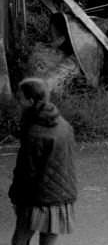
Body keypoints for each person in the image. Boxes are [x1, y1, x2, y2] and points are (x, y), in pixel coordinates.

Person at [8, 78, 77, 245]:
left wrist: (15, 197)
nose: (18, 102)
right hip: (62, 195)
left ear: (31, 101)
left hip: (38, 199)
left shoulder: (34, 132)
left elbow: (26, 172)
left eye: (20, 98)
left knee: (20, 241)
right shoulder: (63, 124)